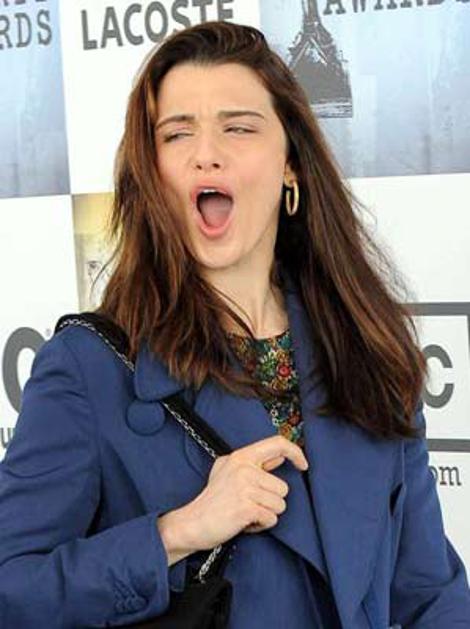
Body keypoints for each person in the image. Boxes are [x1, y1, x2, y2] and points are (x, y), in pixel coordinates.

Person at [0, 20, 469, 629]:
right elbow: (11, 588)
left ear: (290, 165)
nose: (206, 152)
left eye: (238, 127)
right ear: (153, 174)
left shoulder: (368, 348)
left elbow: (430, 593)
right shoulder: (87, 367)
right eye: (177, 133)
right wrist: (176, 534)